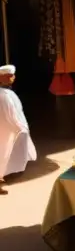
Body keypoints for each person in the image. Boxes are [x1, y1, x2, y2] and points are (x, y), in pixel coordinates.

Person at [0, 65, 35, 194]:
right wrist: (21, 128)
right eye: (10, 76)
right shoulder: (4, 95)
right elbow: (11, 116)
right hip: (7, 131)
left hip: (7, 130)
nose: (13, 78)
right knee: (3, 154)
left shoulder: (7, 93)